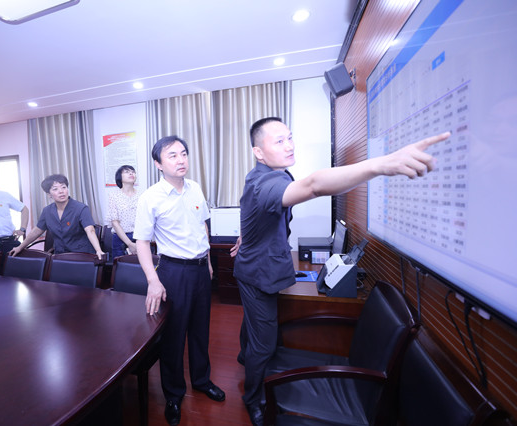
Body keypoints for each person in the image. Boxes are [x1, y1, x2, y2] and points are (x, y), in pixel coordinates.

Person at [231, 117, 451, 426]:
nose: (289, 145)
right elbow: (314, 185)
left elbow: (258, 213)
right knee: (264, 343)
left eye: (290, 137)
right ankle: (253, 398)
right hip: (257, 274)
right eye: (279, 141)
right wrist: (380, 165)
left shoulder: (275, 174)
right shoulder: (265, 182)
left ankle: (246, 354)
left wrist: (247, 235)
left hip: (261, 264)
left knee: (256, 326)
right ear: (258, 152)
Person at [134, 136, 225, 426]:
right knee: (173, 335)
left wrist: (207, 262)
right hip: (173, 272)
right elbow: (142, 242)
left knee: (200, 329)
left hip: (200, 270)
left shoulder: (195, 188)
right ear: (158, 164)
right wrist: (153, 280)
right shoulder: (150, 197)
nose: (181, 159)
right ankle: (173, 395)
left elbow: (203, 228)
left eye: (183, 153)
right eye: (172, 155)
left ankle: (201, 380)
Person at [9, 174, 104, 257]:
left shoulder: (81, 208)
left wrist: (98, 250)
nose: (61, 191)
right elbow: (37, 231)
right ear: (49, 194)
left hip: (82, 254)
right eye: (55, 189)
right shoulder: (47, 211)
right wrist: (20, 247)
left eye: (64, 187)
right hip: (60, 255)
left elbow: (90, 230)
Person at [108, 165, 139, 259]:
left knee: (141, 267)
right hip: (120, 238)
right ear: (119, 177)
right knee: (121, 267)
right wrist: (129, 244)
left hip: (139, 237)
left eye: (133, 171)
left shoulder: (142, 195)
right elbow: (115, 222)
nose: (131, 173)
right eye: (127, 172)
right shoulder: (113, 196)